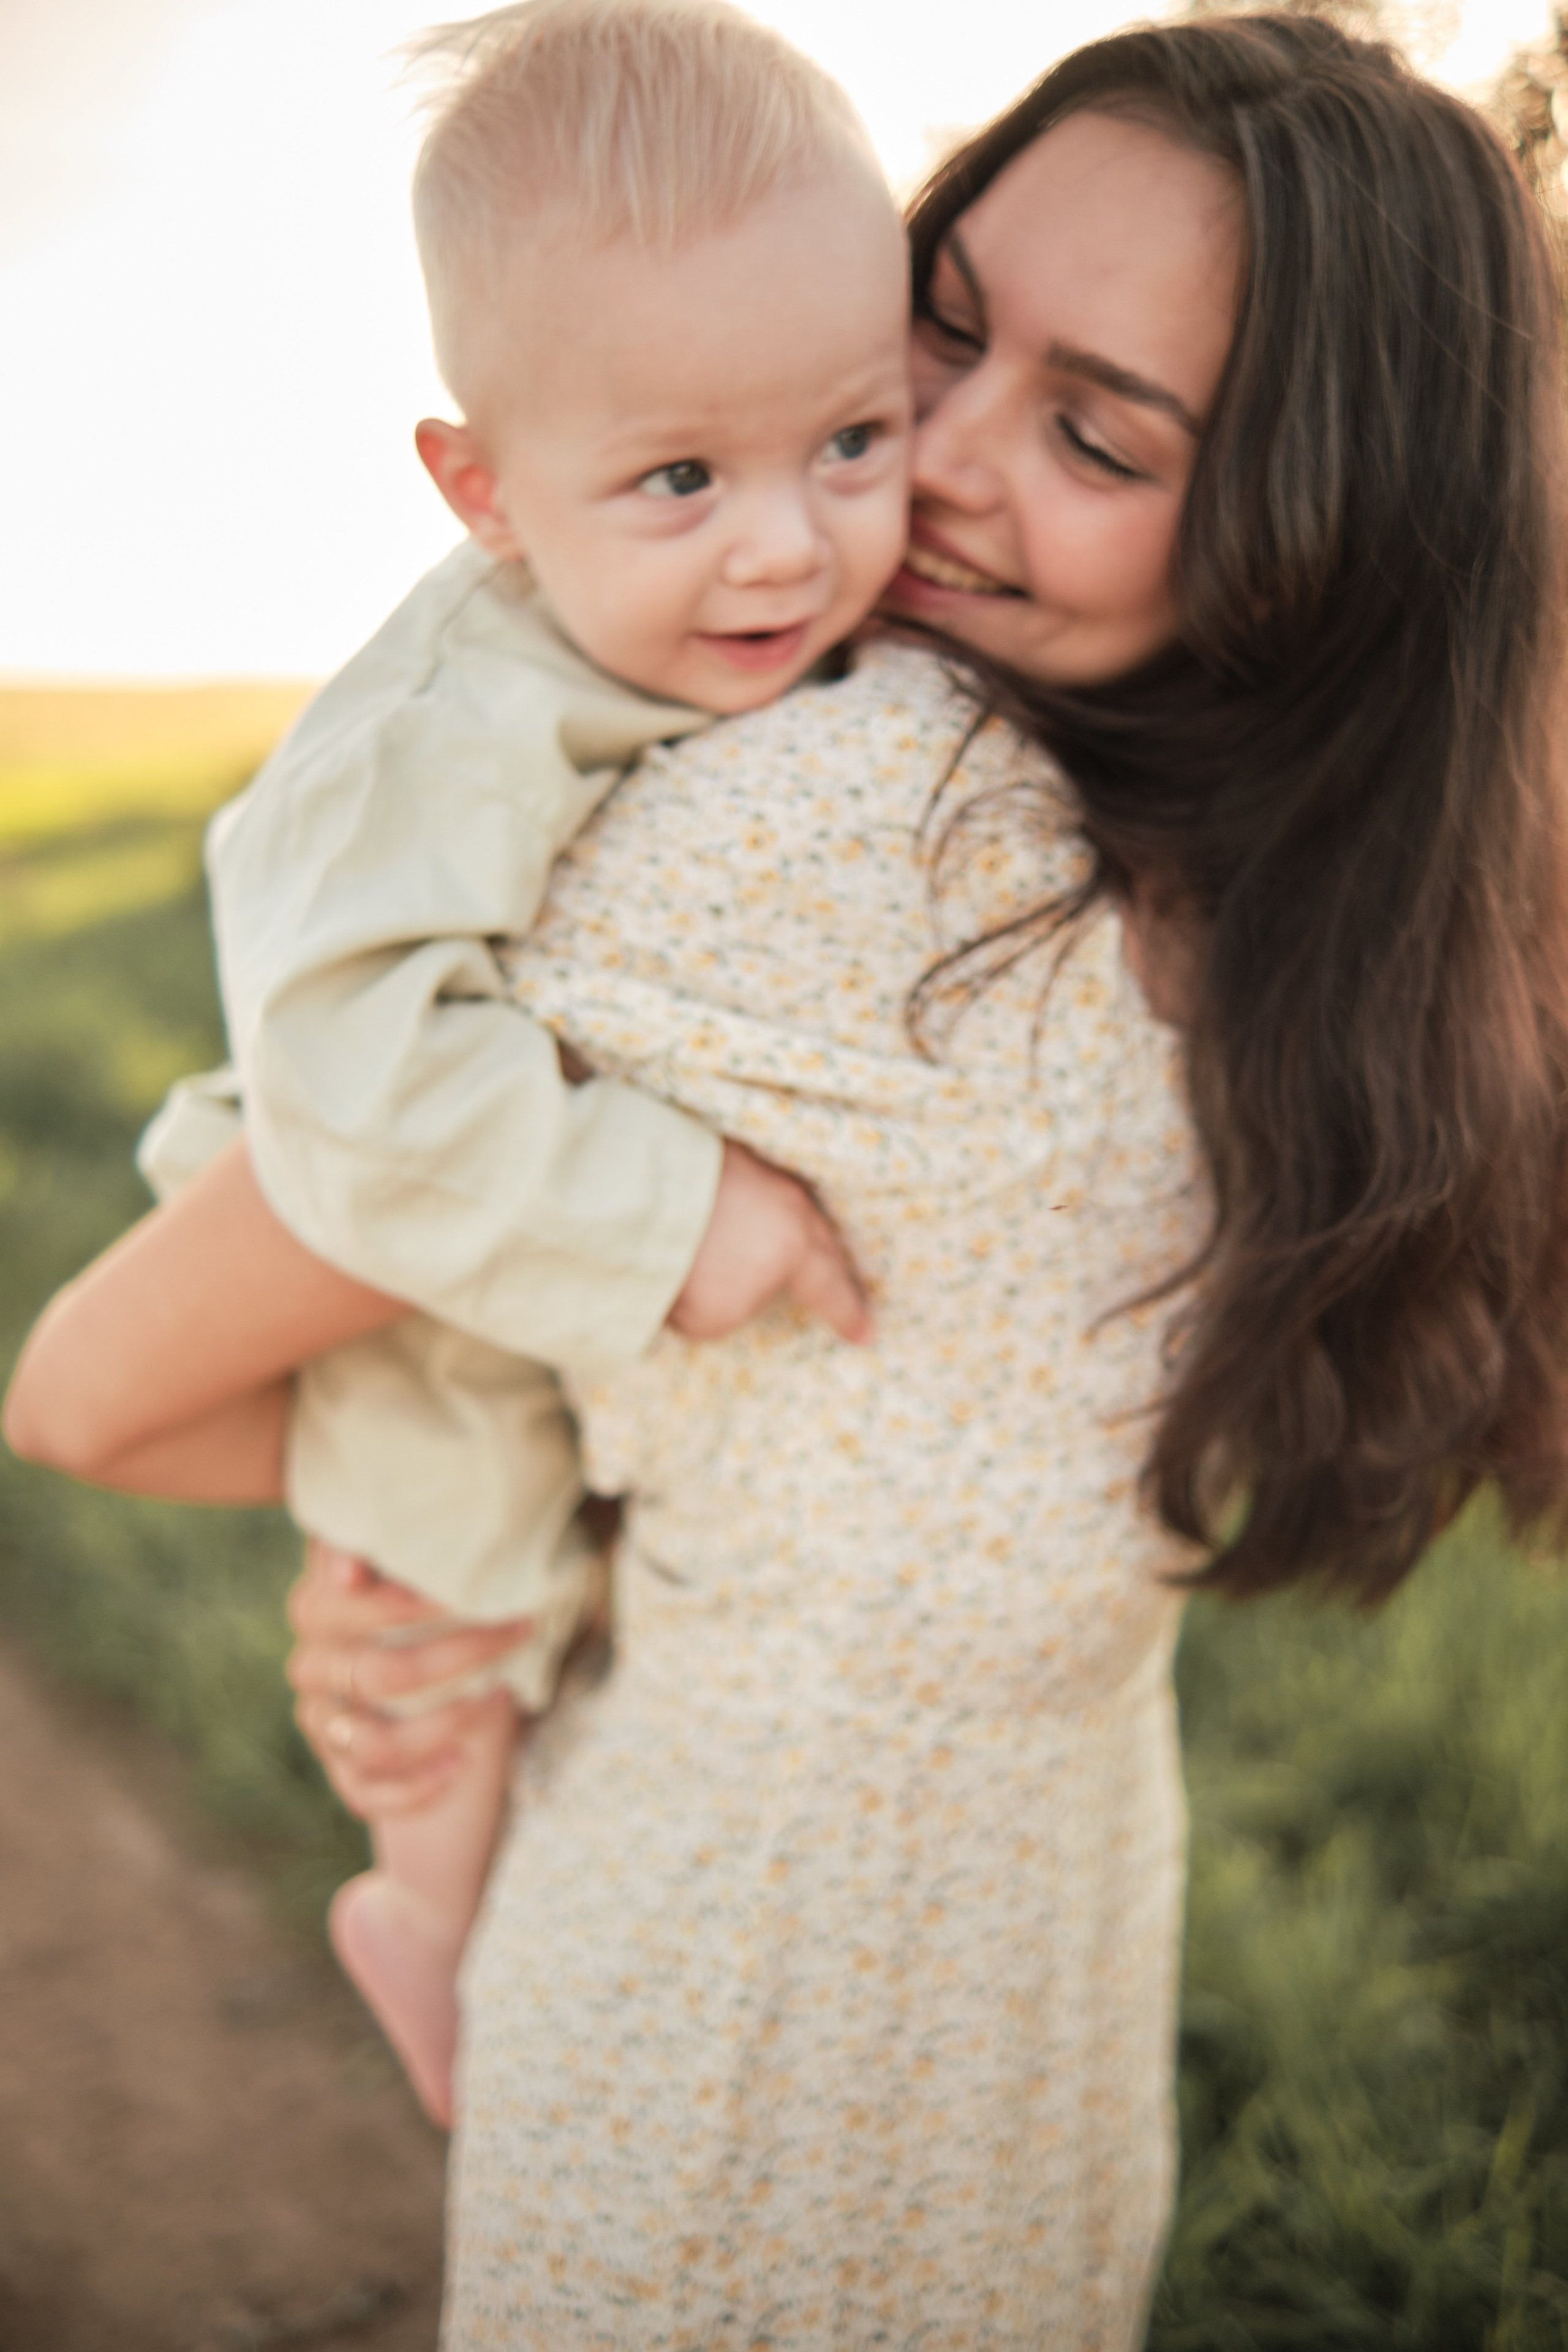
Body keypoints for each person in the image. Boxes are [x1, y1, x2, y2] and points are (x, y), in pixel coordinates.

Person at [10, 12, 1568, 2343]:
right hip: (1000, 1962)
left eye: (1091, 430)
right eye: (938, 329)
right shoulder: (1357, 913)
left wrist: (461, 1541)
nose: (912, 465)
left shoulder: (847, 836)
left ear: (1309, 540)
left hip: (752, 1989)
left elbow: (95, 1395)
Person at [101, 0, 907, 2128]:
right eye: (680, 479)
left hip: (440, 1175)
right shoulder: (452, 715)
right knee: (450, 1579)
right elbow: (357, 1078)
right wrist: (681, 1212)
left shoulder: (686, 607)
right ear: (482, 491)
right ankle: (426, 1921)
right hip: (376, 1177)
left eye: (855, 440)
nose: (785, 546)